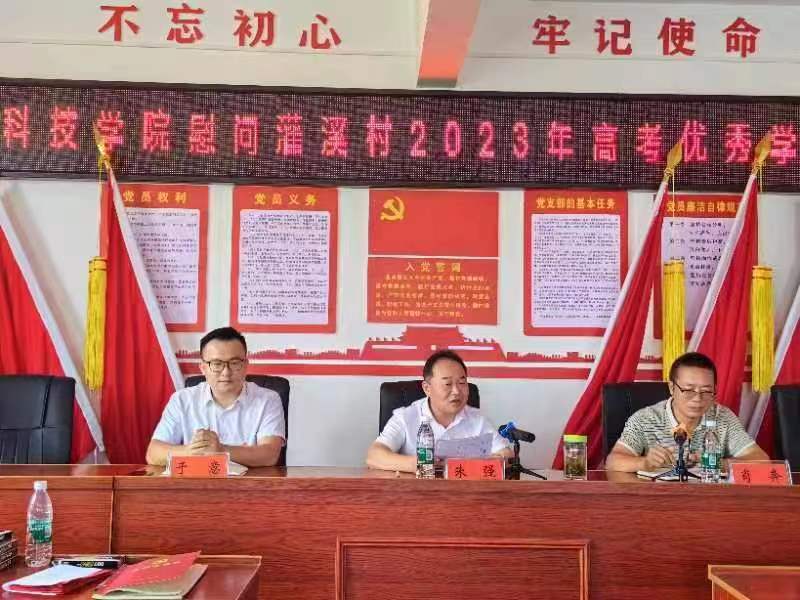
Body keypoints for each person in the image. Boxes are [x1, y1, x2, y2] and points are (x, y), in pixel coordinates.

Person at [146, 327, 285, 468]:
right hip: (196, 480)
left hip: (248, 481)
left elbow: (269, 455)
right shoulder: (182, 399)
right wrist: (192, 451)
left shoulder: (268, 399)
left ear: (245, 365)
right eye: (217, 364)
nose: (226, 372)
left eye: (234, 363)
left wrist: (221, 450)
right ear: (203, 368)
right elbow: (153, 454)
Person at [606, 351, 768, 472]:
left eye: (706, 391)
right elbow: (613, 461)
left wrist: (718, 463)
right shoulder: (645, 419)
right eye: (689, 390)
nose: (698, 398)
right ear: (672, 388)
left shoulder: (723, 417)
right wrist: (644, 463)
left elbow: (761, 461)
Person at [366, 349, 511, 473]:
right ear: (427, 388)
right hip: (414, 493)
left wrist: (486, 462)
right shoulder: (405, 417)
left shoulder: (478, 420)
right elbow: (374, 456)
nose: (456, 391)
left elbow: (506, 455)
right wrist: (419, 465)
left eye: (462, 383)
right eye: (447, 384)